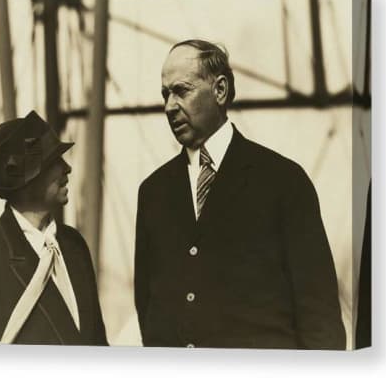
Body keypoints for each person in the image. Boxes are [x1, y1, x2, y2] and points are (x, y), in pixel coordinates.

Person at [134, 39, 346, 349]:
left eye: (181, 91)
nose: (169, 106)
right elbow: (147, 307)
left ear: (220, 90)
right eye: (166, 94)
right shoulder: (153, 192)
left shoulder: (283, 182)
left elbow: (320, 318)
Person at [0, 111, 107, 345]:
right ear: (29, 178)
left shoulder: (75, 246)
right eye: (54, 161)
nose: (67, 168)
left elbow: (99, 346)